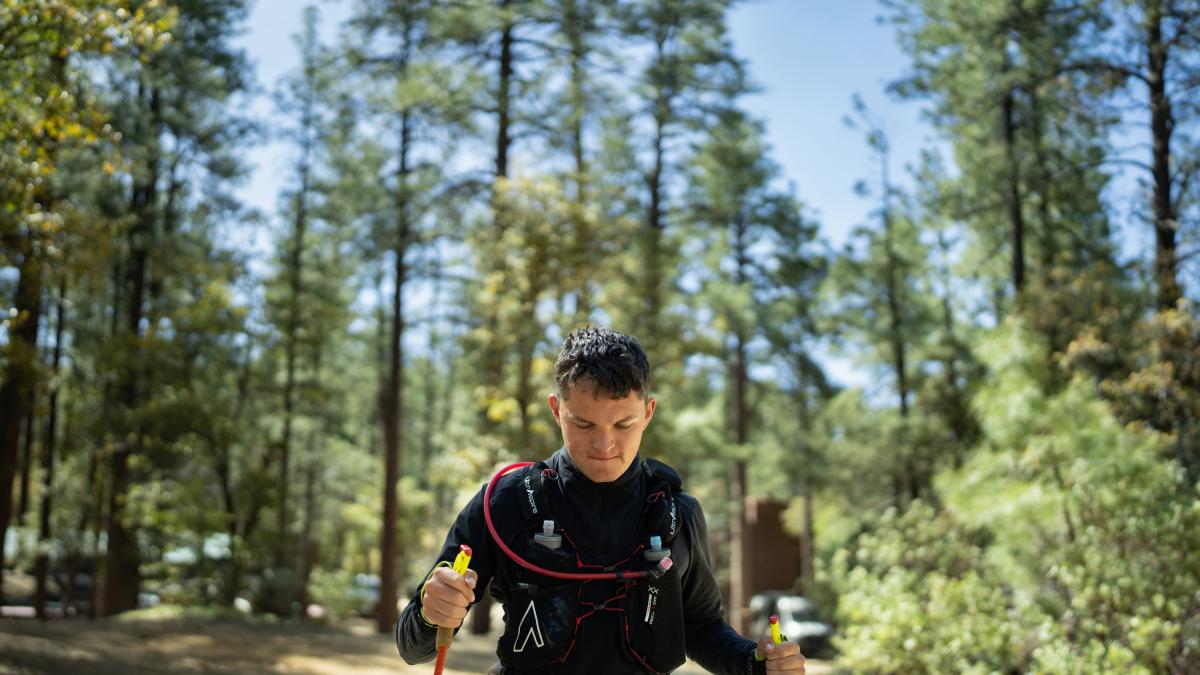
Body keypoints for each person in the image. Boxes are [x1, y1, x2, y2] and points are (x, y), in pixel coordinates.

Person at [396, 326, 806, 674]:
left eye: (624, 423)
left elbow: (700, 626)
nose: (604, 444)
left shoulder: (678, 514)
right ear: (556, 410)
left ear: (648, 413)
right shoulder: (504, 501)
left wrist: (757, 663)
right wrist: (432, 614)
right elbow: (413, 646)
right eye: (583, 422)